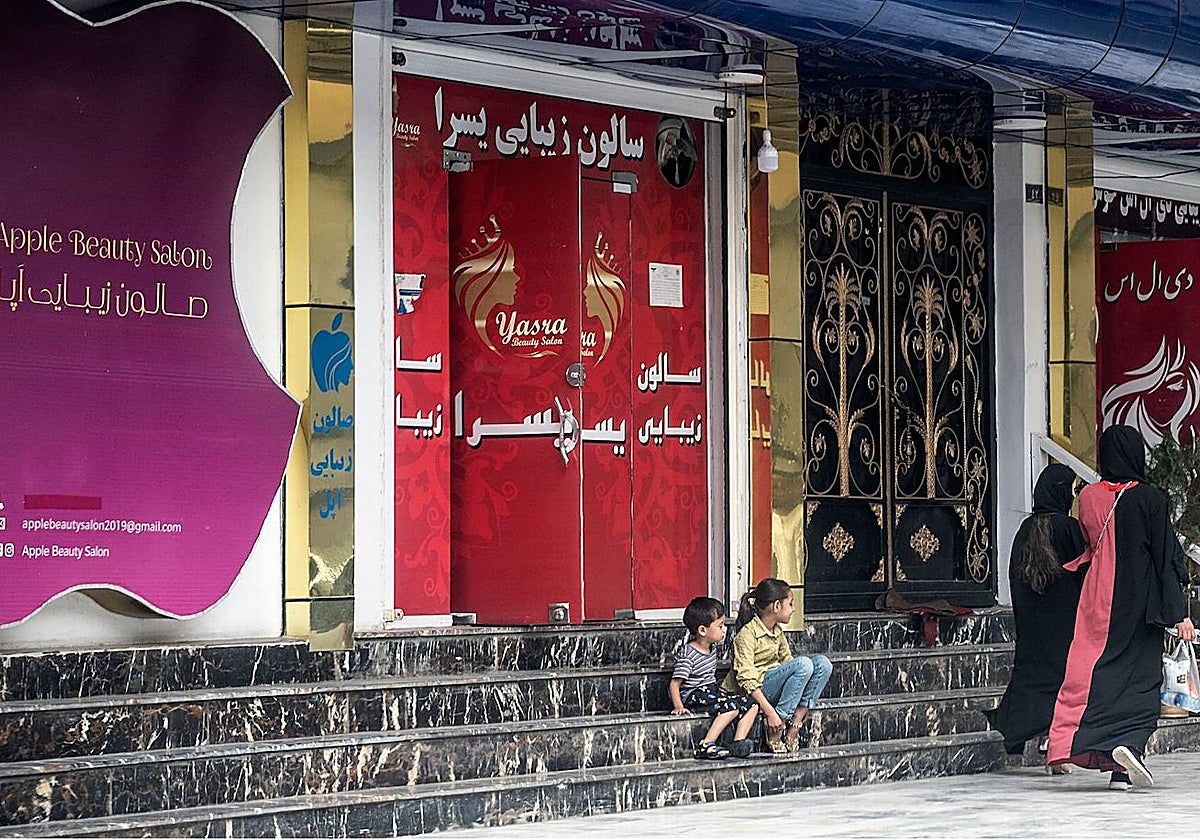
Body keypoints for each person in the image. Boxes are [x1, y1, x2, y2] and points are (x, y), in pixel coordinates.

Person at [1046, 424, 1196, 790]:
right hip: (1139, 604)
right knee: (1142, 681)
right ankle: (1126, 755)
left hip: (1097, 599)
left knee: (1098, 673)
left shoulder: (1090, 496)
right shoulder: (1150, 500)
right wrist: (1180, 615)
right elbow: (1164, 559)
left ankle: (1079, 745)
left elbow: (1089, 541)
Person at [985, 464, 1086, 765]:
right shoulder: (1068, 529)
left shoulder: (1025, 530)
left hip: (1031, 621)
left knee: (1030, 675)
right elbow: (1085, 570)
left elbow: (1015, 574)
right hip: (1064, 621)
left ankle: (1015, 732)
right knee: (1063, 680)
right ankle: (1054, 740)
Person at [723, 578, 832, 753]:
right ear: (776, 607)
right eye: (790, 604)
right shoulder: (747, 635)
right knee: (803, 664)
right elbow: (746, 680)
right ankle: (777, 727)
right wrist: (771, 714)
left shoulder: (776, 631)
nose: (793, 609)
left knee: (822, 664)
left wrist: (803, 695)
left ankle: (795, 723)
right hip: (754, 692)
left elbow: (788, 663)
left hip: (774, 686)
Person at [669, 597, 759, 759]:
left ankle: (738, 743)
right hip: (694, 694)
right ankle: (707, 744)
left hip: (710, 691)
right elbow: (675, 684)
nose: (724, 630)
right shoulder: (689, 654)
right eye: (720, 626)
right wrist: (679, 706)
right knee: (730, 706)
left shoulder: (711, 648)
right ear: (703, 630)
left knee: (752, 704)